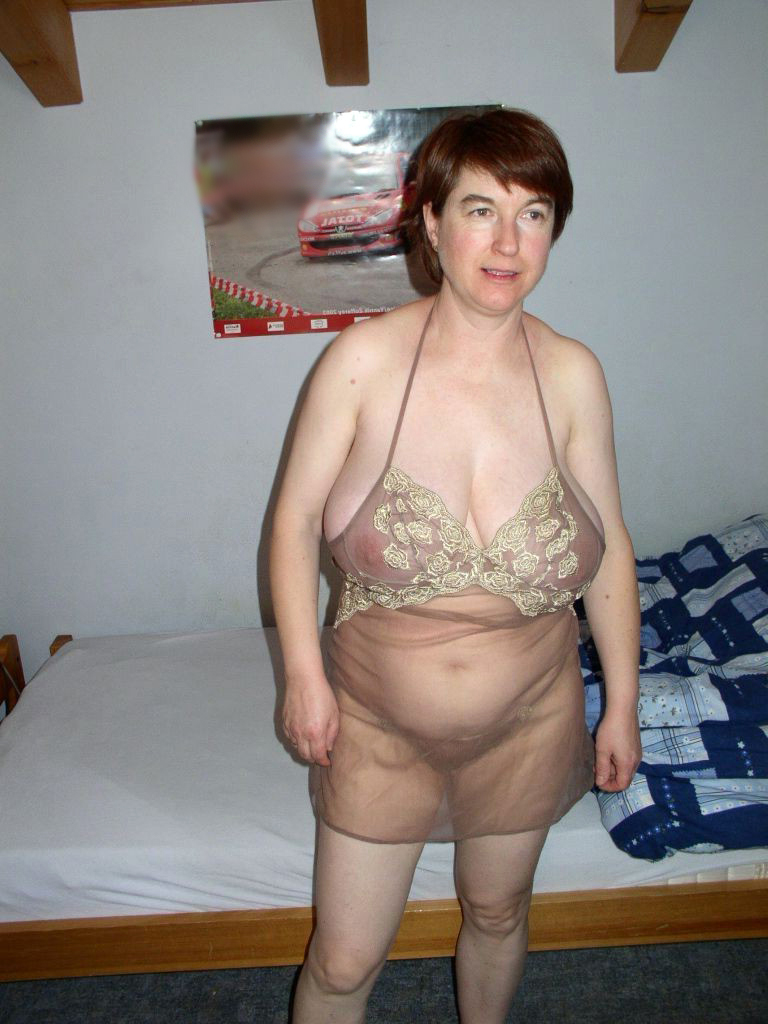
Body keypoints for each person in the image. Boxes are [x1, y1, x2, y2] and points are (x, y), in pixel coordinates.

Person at [269, 107, 641, 1024]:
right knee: (343, 961)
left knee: (498, 911)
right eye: (481, 210)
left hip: (531, 719)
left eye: (533, 213)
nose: (508, 242)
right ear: (432, 223)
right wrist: (303, 677)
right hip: (376, 722)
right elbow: (294, 522)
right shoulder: (361, 362)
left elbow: (612, 551)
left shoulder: (574, 375)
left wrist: (623, 703)